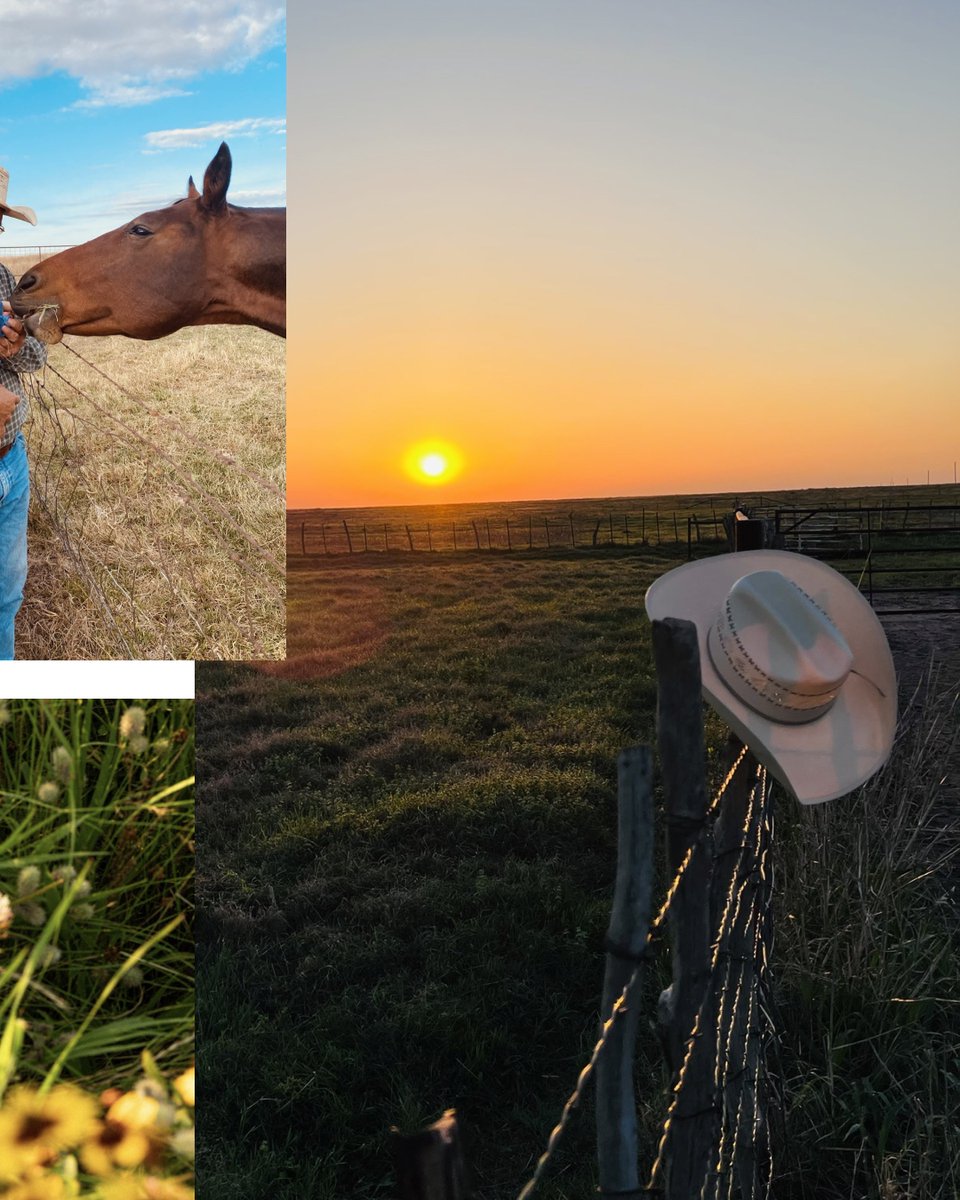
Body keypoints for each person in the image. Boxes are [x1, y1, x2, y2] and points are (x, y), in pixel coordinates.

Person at [0, 164, 47, 660]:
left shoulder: (2, 276)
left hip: (11, 458)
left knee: (7, 595)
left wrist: (16, 349)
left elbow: (38, 358)